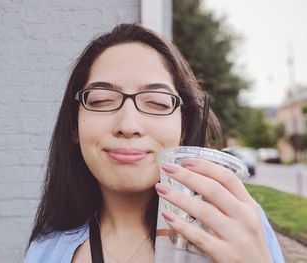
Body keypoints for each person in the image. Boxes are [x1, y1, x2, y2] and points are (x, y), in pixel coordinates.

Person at [24, 23, 284, 263]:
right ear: (74, 126)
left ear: (183, 128)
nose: (128, 125)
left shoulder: (235, 225)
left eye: (157, 103)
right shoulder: (46, 250)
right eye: (101, 100)